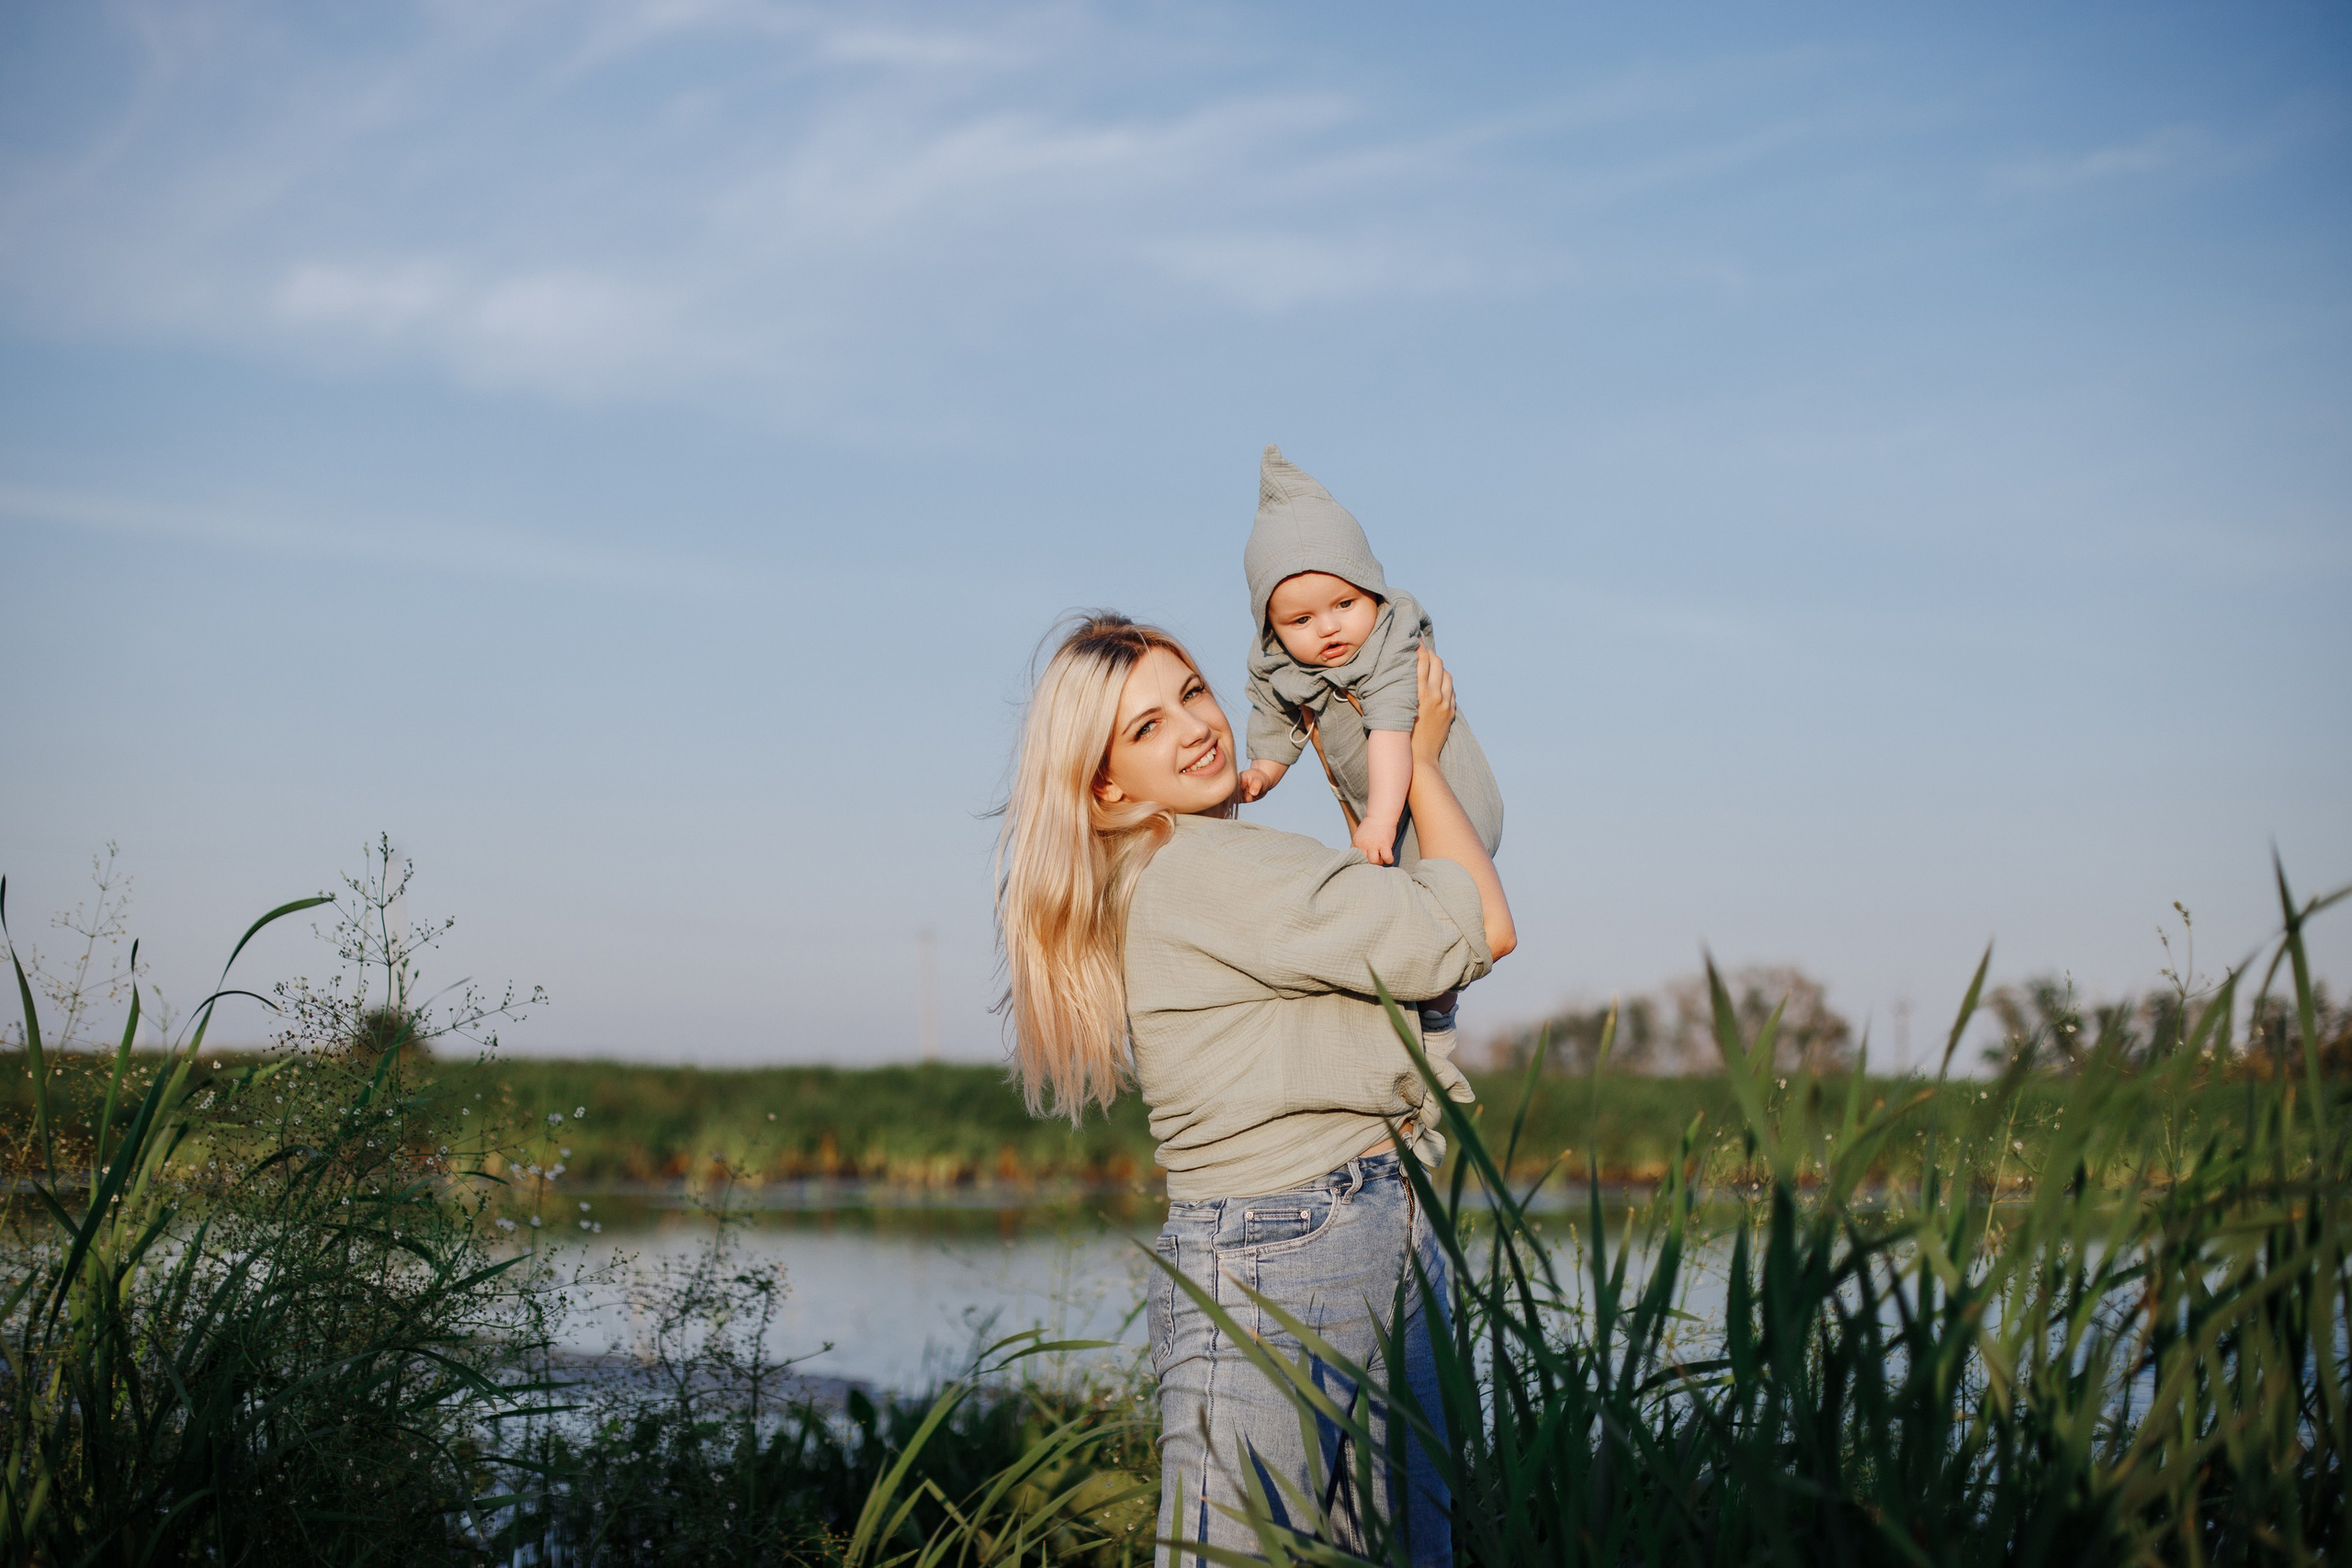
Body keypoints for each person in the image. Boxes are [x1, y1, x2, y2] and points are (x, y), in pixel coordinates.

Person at [996, 613, 1514, 1567]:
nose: (1193, 726)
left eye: (1190, 693)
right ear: (1106, 784)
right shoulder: (1209, 868)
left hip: (1346, 1225)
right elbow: (1474, 927)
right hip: (1289, 1241)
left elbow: (1415, 956)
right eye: (1144, 727)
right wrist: (1418, 757)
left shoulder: (1200, 869)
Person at [1235, 445, 1504, 874]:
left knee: (1438, 888)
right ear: (1272, 627)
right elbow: (1274, 716)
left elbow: (1392, 731)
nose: (1328, 627)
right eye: (1302, 619)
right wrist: (1262, 772)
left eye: (1344, 604)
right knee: (1404, 893)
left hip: (1441, 793)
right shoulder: (1278, 661)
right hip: (1379, 810)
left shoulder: (1389, 636)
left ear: (1371, 589)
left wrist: (1379, 819)